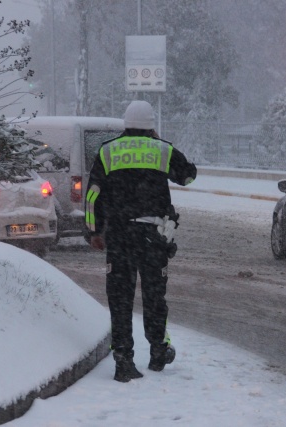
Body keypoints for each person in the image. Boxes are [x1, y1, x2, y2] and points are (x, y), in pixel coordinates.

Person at [85, 100, 197, 382]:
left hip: (120, 236)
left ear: (125, 123)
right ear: (151, 125)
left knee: (120, 299)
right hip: (152, 237)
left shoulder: (108, 151)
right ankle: (158, 352)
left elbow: (92, 197)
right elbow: (188, 176)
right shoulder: (162, 149)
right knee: (154, 296)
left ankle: (123, 361)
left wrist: (94, 231)